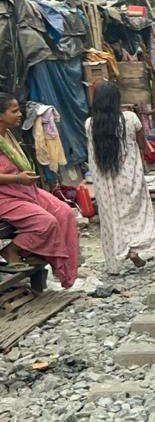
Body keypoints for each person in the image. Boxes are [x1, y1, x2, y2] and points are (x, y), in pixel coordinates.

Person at [0, 94, 79, 287]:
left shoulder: (8, 135)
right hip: (5, 196)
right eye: (14, 111)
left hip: (23, 190)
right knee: (46, 222)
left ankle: (61, 270)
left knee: (64, 212)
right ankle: (12, 250)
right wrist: (19, 178)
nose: (20, 114)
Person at [86, 82, 155, 274]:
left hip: (104, 180)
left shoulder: (90, 124)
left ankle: (119, 254)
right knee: (137, 212)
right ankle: (137, 246)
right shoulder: (130, 118)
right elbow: (143, 145)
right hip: (129, 175)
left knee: (111, 215)